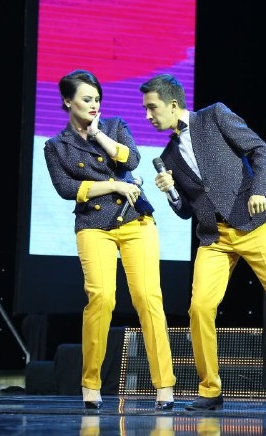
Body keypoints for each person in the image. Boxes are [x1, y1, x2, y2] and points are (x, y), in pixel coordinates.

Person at [139, 74, 266, 414]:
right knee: (200, 308)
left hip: (254, 224)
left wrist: (260, 191)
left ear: (173, 104)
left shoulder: (214, 116)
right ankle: (210, 390)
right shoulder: (168, 156)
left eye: (152, 108)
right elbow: (185, 211)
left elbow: (260, 150)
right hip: (214, 237)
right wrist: (171, 192)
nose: (148, 116)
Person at [44, 70, 176, 411]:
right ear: (68, 101)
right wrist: (115, 185)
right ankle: (91, 383)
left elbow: (131, 159)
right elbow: (66, 188)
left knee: (148, 298)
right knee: (101, 298)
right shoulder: (56, 146)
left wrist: (99, 135)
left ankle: (164, 385)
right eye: (86, 99)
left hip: (135, 221)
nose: (93, 105)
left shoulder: (114, 126)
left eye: (97, 99)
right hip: (93, 225)